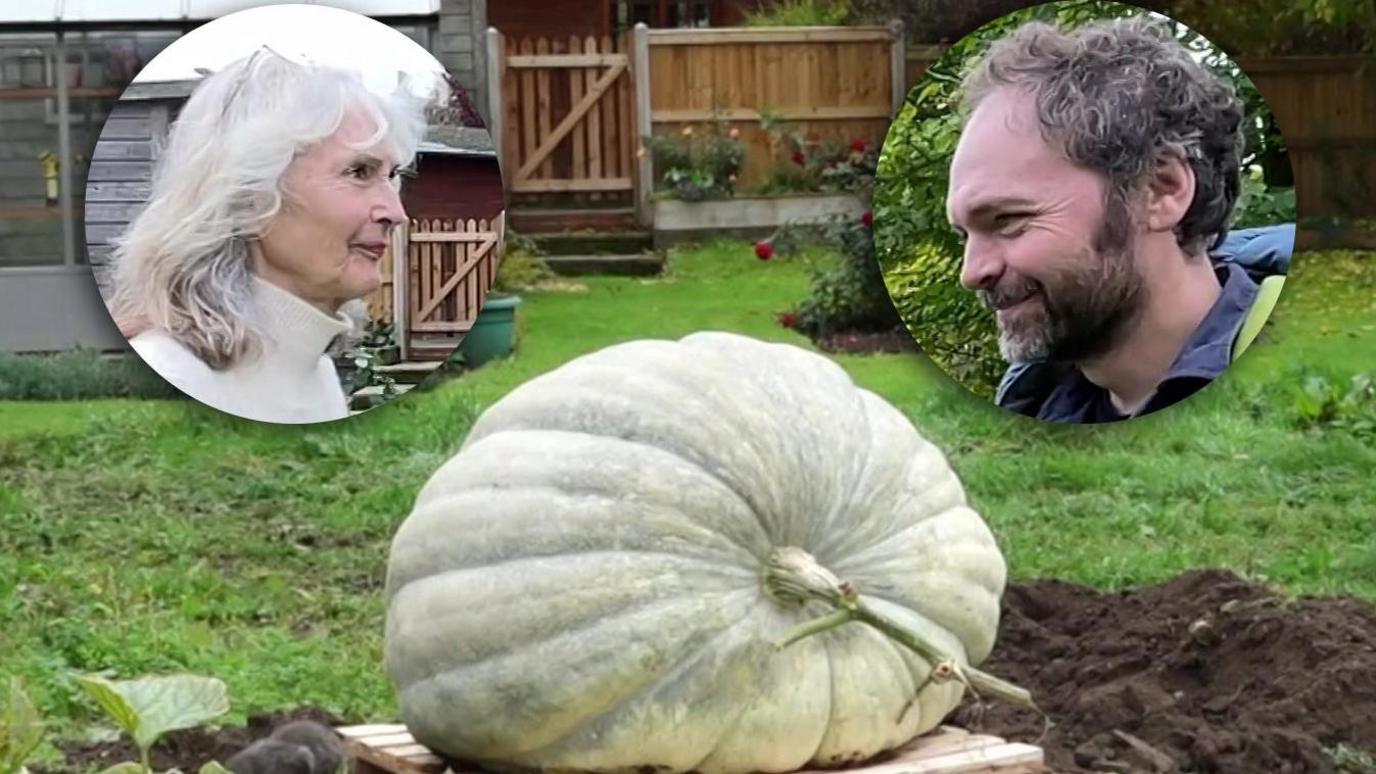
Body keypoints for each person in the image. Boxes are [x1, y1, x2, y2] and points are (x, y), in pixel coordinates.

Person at [945, 17, 1287, 423]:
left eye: (1008, 220)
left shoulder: (1302, 390)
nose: (972, 272)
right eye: (965, 234)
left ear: (1162, 190)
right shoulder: (1034, 408)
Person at [107, 47, 427, 424]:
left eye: (391, 177)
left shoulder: (319, 377)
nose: (396, 213)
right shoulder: (174, 377)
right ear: (251, 199)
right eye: (359, 172)